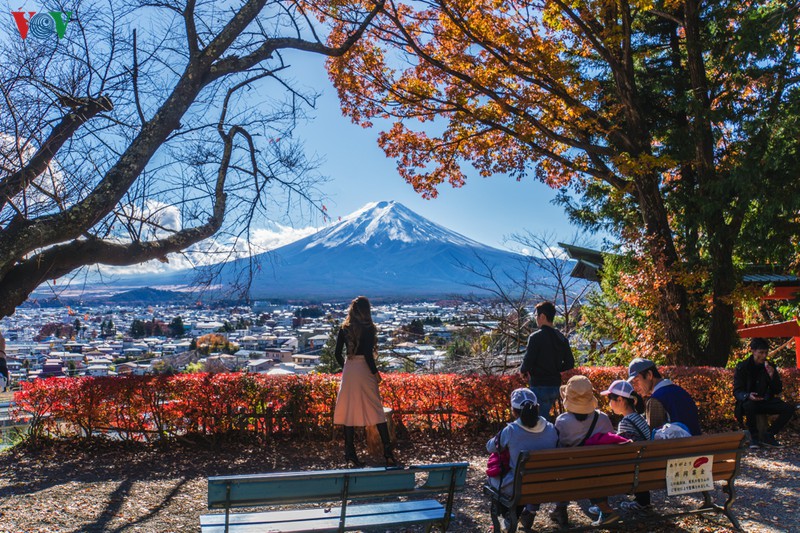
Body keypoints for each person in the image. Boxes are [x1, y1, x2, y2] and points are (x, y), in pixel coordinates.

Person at [333, 296, 396, 467]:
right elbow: (368, 355)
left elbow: (337, 353)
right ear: (366, 310)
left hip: (350, 369)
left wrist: (346, 367)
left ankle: (350, 455)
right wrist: (375, 373)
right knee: (376, 409)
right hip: (364, 370)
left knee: (349, 412)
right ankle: (388, 453)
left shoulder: (344, 328)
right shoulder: (369, 329)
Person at [486, 388, 558, 532]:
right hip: (547, 484)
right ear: (537, 407)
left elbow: (490, 447)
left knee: (494, 479)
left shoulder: (511, 430)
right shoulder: (551, 429)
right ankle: (519, 514)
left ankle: (508, 517)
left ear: (514, 410)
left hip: (518, 486)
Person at [553, 375, 618, 527]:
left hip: (573, 475)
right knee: (594, 466)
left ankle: (561, 509)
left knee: (564, 468)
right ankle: (604, 508)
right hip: (604, 472)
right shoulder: (603, 419)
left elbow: (558, 447)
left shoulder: (562, 422)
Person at [733, 338, 797, 448]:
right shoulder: (743, 367)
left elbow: (777, 389)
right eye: (761, 353)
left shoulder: (769, 366)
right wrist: (748, 395)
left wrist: (772, 376)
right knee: (749, 405)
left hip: (765, 400)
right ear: (753, 351)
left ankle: (769, 434)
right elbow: (737, 391)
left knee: (789, 408)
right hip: (748, 402)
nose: (764, 356)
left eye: (766, 353)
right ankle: (754, 438)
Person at [600, 379, 651, 512]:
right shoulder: (639, 418)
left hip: (636, 470)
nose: (609, 403)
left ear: (621, 400)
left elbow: (623, 453)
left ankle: (601, 507)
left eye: (610, 399)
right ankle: (643, 501)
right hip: (648, 467)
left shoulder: (626, 423)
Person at [519, 301, 574, 421]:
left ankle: (545, 438)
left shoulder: (535, 337)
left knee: (539, 419)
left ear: (542, 316)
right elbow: (570, 363)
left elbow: (528, 360)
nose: (536, 319)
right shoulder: (561, 338)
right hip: (555, 385)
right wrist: (556, 368)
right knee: (545, 414)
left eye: (536, 316)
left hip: (539, 384)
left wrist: (523, 371)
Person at [627, 357, 701, 436]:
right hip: (696, 445)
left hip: (676, 447)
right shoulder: (680, 391)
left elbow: (654, 437)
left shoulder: (655, 400)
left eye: (637, 381)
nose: (635, 387)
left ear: (649, 375)